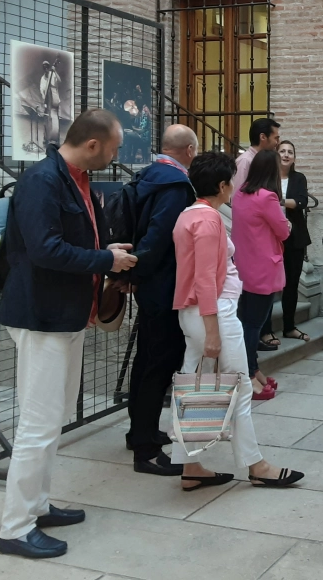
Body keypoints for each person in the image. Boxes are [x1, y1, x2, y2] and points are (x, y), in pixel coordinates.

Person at [0, 109, 138, 560]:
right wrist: (104, 262)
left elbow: (70, 241)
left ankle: (35, 506)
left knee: (51, 419)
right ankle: (15, 527)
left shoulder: (74, 177)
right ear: (92, 144)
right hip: (43, 317)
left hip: (67, 315)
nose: (116, 158)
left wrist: (103, 251)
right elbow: (44, 249)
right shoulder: (42, 180)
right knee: (37, 425)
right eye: (113, 149)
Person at [171, 151, 304, 491]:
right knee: (241, 387)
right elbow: (205, 279)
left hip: (196, 312)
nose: (234, 185)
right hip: (214, 311)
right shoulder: (209, 220)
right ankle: (256, 465)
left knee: (191, 386)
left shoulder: (189, 215)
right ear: (221, 185)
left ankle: (191, 466)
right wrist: (214, 331)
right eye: (230, 180)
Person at [124, 125, 198, 477]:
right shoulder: (175, 185)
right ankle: (147, 450)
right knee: (159, 363)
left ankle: (140, 430)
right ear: (189, 150)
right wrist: (138, 272)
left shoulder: (148, 176)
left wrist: (133, 275)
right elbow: (157, 237)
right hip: (164, 286)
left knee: (147, 359)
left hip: (149, 284)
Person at [233, 149, 291, 376]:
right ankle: (250, 369)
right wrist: (288, 225)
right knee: (254, 324)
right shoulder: (267, 196)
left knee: (245, 321)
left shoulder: (239, 194)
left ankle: (248, 367)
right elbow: (283, 231)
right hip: (263, 268)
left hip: (242, 266)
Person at [277, 140, 312, 342]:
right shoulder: (269, 178)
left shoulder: (299, 178)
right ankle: (266, 330)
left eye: (290, 152)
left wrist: (277, 201)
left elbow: (301, 202)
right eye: (282, 151)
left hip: (295, 238)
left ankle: (289, 326)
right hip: (272, 238)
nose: (286, 154)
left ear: (294, 158)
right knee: (271, 285)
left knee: (291, 284)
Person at [233, 117, 280, 191]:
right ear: (263, 137)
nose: (277, 143)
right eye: (276, 138)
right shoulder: (245, 161)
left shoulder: (266, 160)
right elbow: (237, 194)